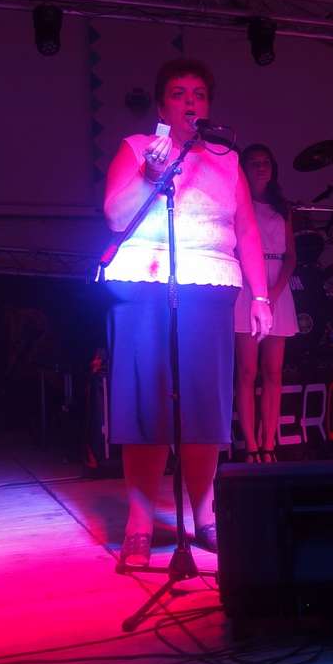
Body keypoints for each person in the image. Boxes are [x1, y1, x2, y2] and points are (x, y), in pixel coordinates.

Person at [102, 58, 271, 571]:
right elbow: (114, 215)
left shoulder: (227, 159)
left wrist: (261, 296)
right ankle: (139, 522)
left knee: (203, 407)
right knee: (147, 406)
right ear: (161, 106)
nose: (190, 101)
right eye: (178, 93)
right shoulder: (137, 148)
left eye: (199, 93)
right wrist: (150, 177)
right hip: (145, 282)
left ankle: (204, 514)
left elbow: (247, 230)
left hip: (210, 286)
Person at [234, 145, 297, 463]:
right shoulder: (237, 204)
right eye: (254, 163)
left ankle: (269, 442)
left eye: (266, 162)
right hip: (247, 284)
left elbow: (291, 257)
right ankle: (251, 445)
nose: (261, 168)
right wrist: (257, 289)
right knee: (247, 371)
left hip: (277, 287)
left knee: (274, 371)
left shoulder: (282, 208)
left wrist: (275, 290)